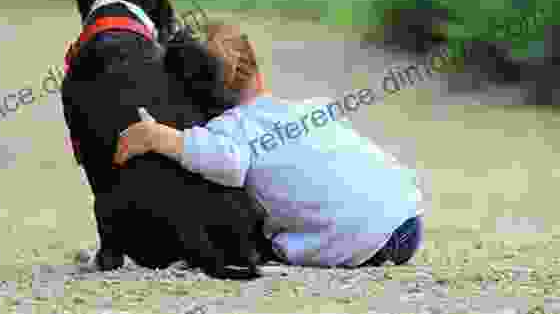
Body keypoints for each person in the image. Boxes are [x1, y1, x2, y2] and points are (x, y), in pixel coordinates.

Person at [114, 21, 425, 268]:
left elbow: (226, 161)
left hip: (360, 241)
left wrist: (163, 137)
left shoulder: (231, 129)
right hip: (407, 219)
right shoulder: (312, 108)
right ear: (255, 68)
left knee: (264, 235)